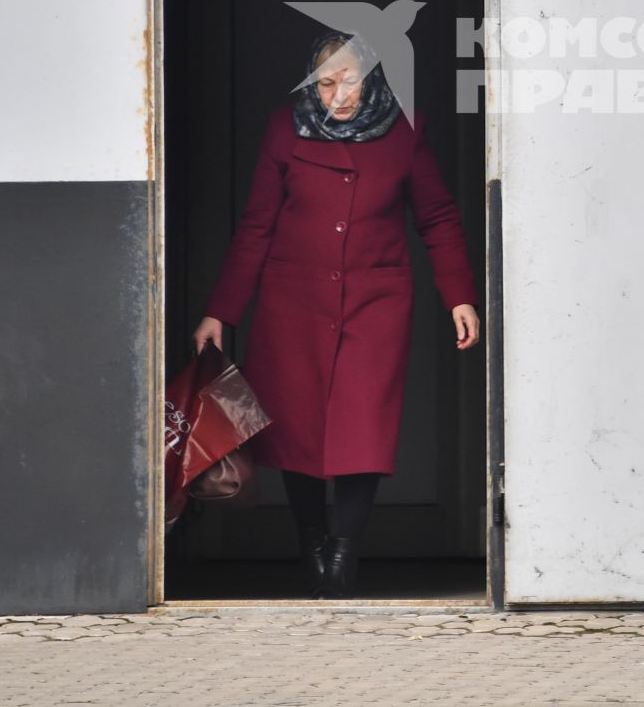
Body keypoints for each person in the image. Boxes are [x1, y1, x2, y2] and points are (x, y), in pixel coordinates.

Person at [193, 30, 480, 599]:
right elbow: (256, 226)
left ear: (372, 79)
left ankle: (343, 556)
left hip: (376, 303)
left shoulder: (405, 130)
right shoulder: (284, 128)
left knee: (362, 428)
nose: (337, 95)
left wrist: (460, 296)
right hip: (292, 302)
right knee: (299, 430)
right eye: (326, 83)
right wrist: (220, 311)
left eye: (350, 81)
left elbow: (439, 218)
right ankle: (313, 546)